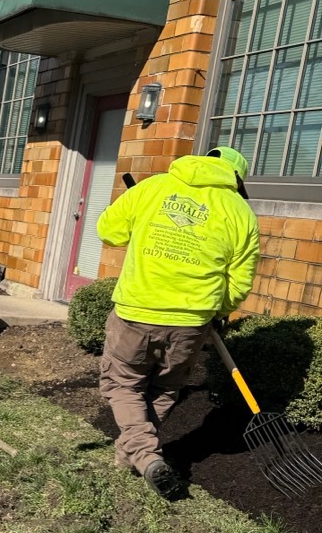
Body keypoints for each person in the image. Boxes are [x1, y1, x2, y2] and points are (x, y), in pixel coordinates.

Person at [96, 145, 260, 499]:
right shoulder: (241, 212)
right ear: (237, 179)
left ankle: (144, 456)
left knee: (123, 385)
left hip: (137, 311)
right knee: (165, 388)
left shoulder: (153, 187)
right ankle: (131, 455)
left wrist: (142, 225)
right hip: (191, 322)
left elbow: (108, 230)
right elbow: (240, 281)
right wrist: (219, 311)